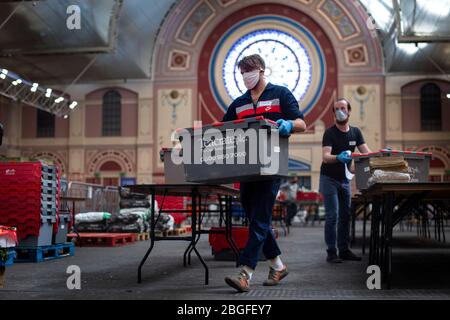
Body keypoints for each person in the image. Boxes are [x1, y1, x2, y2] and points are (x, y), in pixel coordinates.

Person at [222, 54, 306, 292]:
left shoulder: (280, 94)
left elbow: (301, 123)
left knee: (259, 218)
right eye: (242, 72)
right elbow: (222, 130)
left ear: (261, 69)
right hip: (246, 168)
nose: (246, 75)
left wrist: (288, 125)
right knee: (256, 218)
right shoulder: (239, 103)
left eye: (249, 70)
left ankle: (245, 273)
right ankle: (278, 266)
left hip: (272, 163)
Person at [320, 98, 371, 263]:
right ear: (334, 113)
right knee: (332, 215)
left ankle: (344, 249)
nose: (340, 111)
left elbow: (366, 154)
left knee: (345, 215)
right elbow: (326, 157)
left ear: (349, 111)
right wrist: (338, 157)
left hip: (345, 179)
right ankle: (331, 252)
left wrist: (382, 155)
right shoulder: (329, 133)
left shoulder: (355, 133)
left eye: (343, 108)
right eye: (337, 109)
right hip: (328, 178)